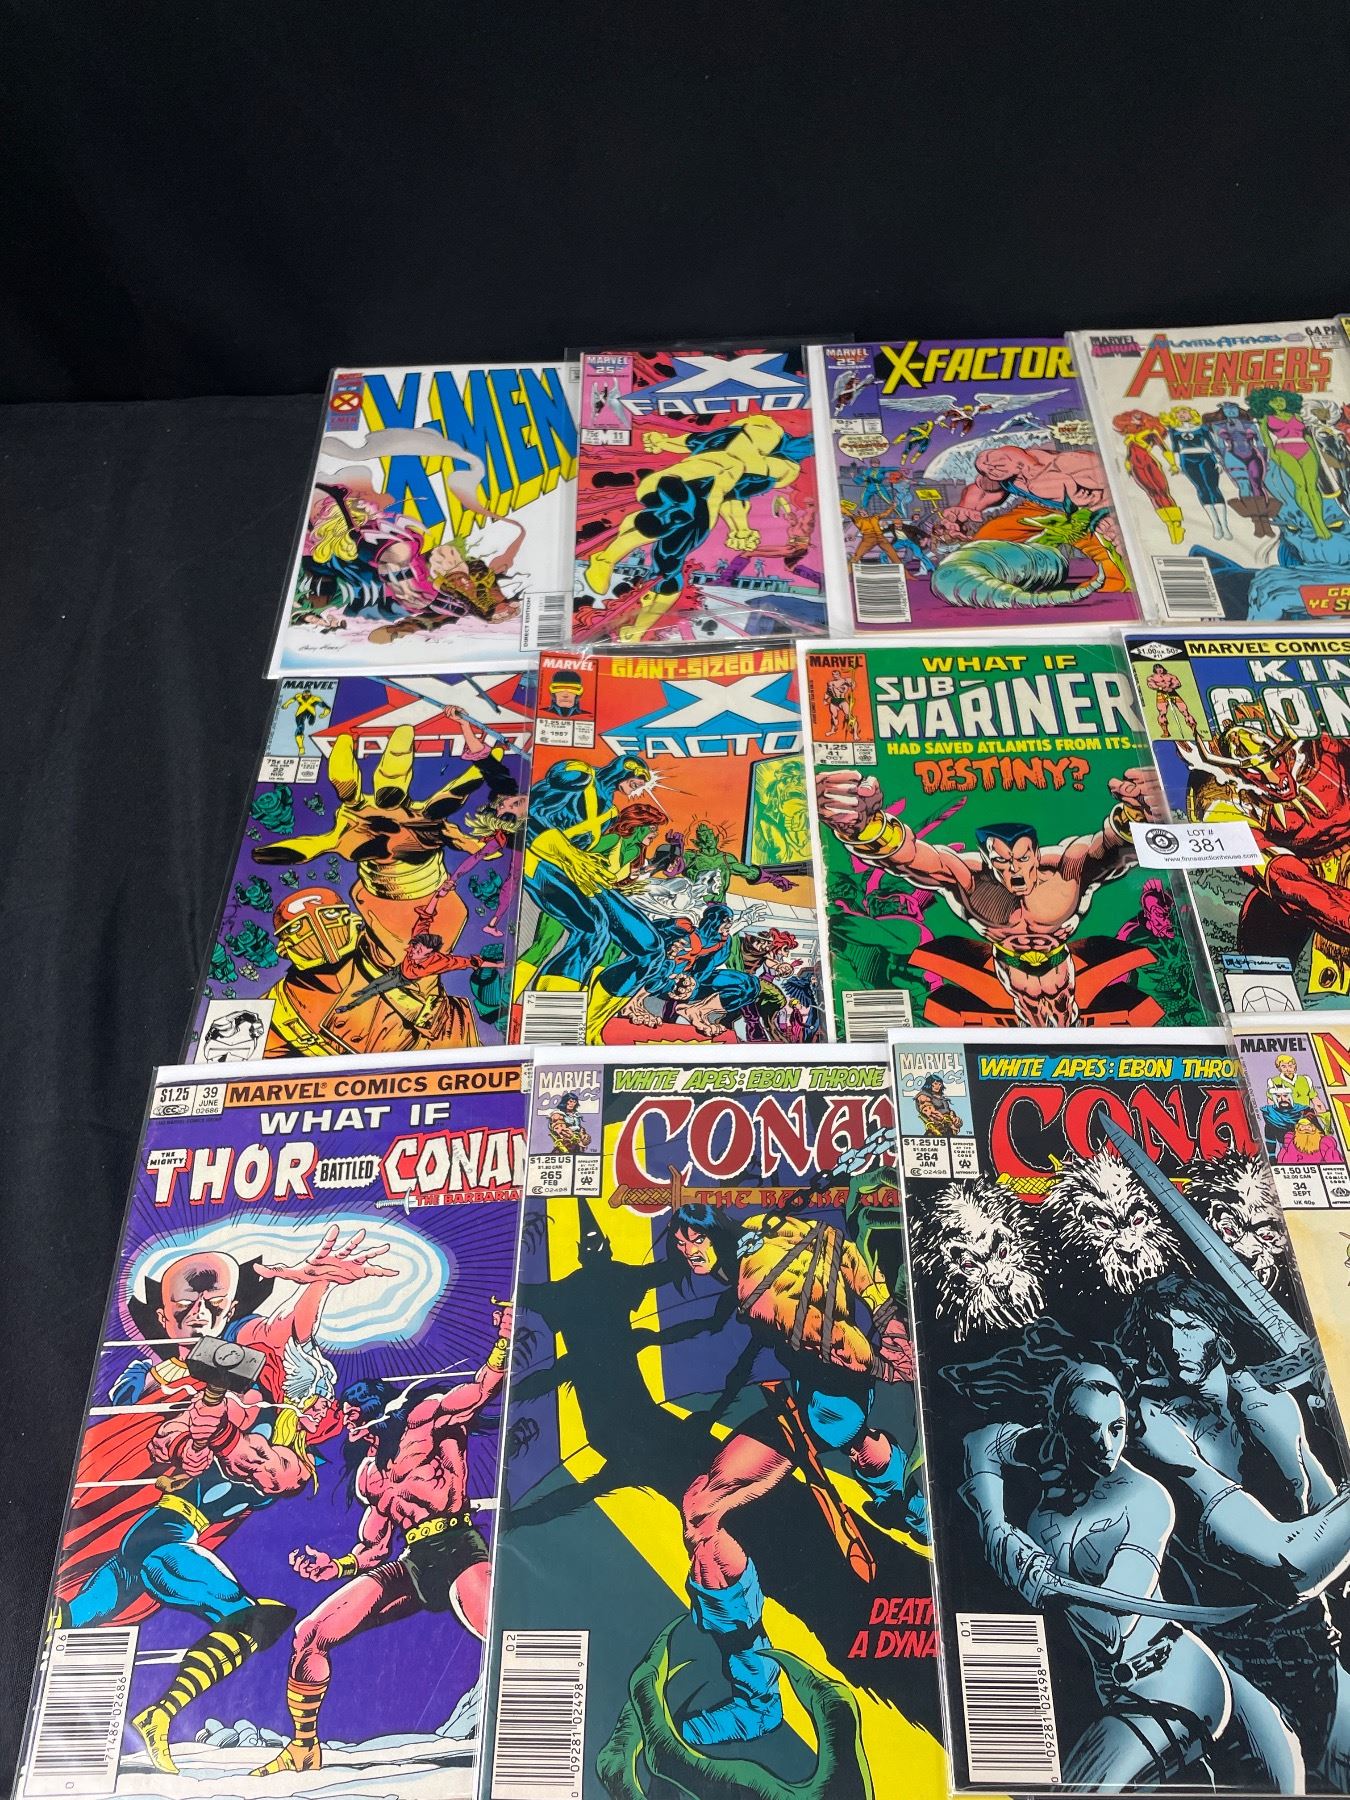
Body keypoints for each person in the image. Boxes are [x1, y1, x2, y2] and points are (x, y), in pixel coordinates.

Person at [949, 1326, 1301, 1788]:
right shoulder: (1047, 1451)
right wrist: (995, 1527)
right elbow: (979, 1443)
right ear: (1060, 1426)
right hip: (1114, 1691)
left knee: (1080, 1791)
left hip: (1170, 1680)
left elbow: (1114, 1625)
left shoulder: (1145, 1501)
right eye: (1087, 1430)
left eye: (1115, 1428)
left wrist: (1040, 1578)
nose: (1104, 1445)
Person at [255, 1305, 513, 1776]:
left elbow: (479, 1391)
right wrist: (335, 1566)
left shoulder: (424, 1422)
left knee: (504, 1635)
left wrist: (503, 1342)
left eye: (353, 1415)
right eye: (345, 1417)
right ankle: (303, 1749)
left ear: (376, 1410)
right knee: (310, 1635)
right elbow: (373, 1548)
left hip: (458, 1549)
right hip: (414, 1564)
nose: (347, 1425)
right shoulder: (370, 1477)